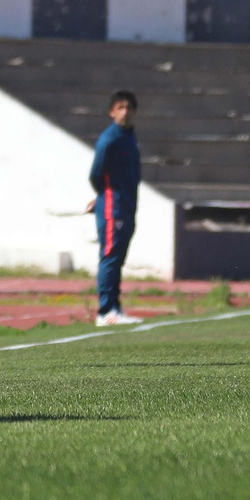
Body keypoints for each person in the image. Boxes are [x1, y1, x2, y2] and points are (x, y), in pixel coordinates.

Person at [87, 91, 143, 326]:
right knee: (110, 257)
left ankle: (116, 308)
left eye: (128, 107)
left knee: (118, 259)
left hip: (128, 205)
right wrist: (102, 196)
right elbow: (96, 173)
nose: (125, 112)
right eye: (120, 107)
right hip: (113, 206)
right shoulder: (109, 139)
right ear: (112, 112)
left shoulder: (129, 137)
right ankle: (106, 311)